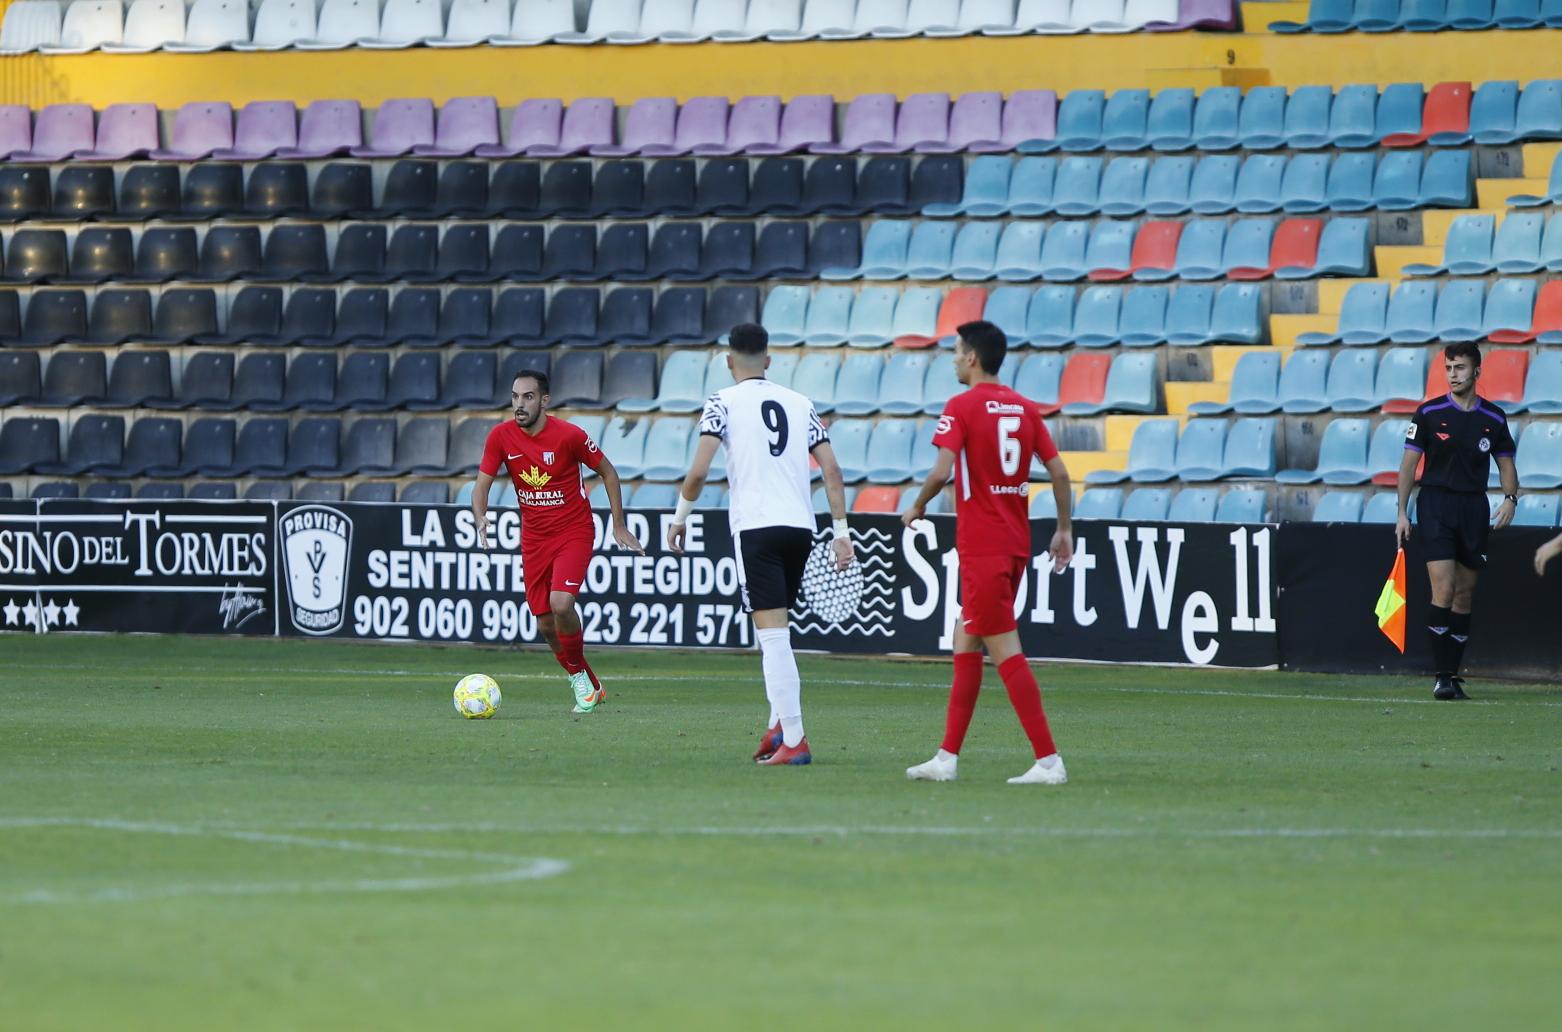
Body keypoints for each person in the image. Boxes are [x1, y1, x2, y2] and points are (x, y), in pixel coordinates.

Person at [669, 324, 854, 767]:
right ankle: (777, 726)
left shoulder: (721, 401)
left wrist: (679, 518)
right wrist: (842, 532)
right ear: (768, 361)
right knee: (779, 634)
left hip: (757, 528)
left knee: (772, 638)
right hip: (800, 529)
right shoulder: (801, 403)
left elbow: (697, 473)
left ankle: (795, 739)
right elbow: (831, 470)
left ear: (728, 361)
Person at [901, 320, 1073, 786]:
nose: (954, 358)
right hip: (1013, 544)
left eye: (957, 351)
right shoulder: (1024, 408)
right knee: (967, 638)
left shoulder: (961, 406)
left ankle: (1049, 761)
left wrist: (916, 505)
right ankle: (946, 757)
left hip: (982, 548)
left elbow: (941, 472)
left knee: (1005, 650)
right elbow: (1058, 472)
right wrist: (1062, 528)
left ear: (973, 358)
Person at [473, 371, 643, 714]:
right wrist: (480, 517)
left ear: (544, 401)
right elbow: (481, 485)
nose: (519, 405)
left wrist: (619, 524)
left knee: (562, 604)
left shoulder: (569, 436)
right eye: (515, 397)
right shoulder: (500, 437)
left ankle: (579, 679)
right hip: (534, 539)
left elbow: (608, 472)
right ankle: (586, 681)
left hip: (573, 532)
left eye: (528, 397)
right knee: (545, 624)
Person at [1395, 342, 1518, 701]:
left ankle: (1451, 673)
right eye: (1449, 368)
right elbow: (1408, 466)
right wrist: (1402, 512)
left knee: (1464, 595)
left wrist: (1510, 498)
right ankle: (1441, 676)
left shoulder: (1493, 418)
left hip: (1473, 508)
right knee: (1444, 589)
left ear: (1476, 372)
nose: (1453, 374)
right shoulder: (1429, 413)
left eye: (1460, 368)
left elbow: (1507, 465)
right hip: (1435, 504)